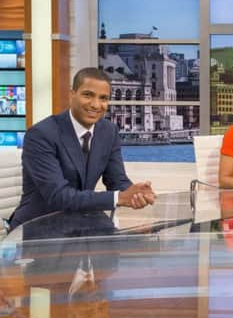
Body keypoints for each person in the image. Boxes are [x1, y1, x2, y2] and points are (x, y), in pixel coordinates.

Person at [9, 67, 155, 230]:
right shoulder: (41, 134)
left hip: (81, 225)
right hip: (38, 229)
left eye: (103, 98)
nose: (96, 105)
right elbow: (59, 196)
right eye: (88, 95)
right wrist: (119, 198)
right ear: (72, 94)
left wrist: (135, 193)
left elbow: (117, 180)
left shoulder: (108, 131)